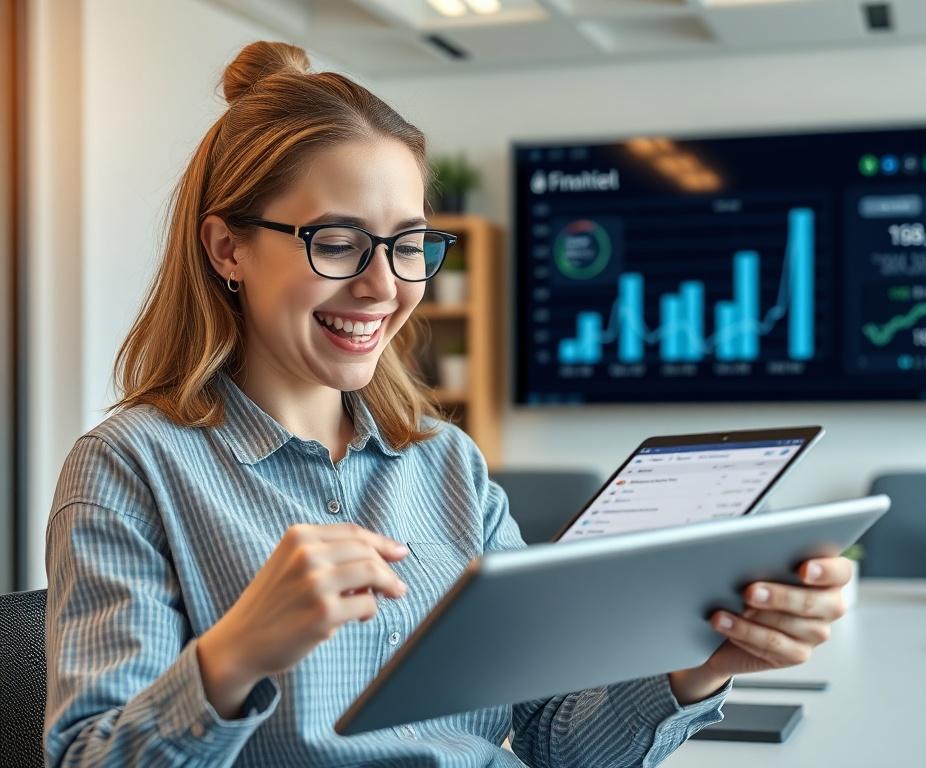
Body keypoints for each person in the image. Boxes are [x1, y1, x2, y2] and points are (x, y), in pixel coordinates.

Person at [44, 41, 851, 768]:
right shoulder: (131, 467)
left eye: (407, 243)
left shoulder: (444, 462)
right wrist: (235, 655)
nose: (384, 284)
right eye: (336, 241)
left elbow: (556, 738)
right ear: (228, 248)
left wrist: (699, 664)